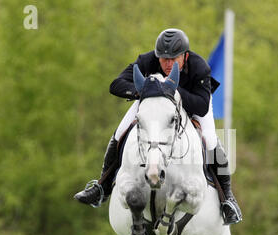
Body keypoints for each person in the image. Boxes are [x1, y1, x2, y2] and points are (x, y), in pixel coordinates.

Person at [74, 28, 242, 225]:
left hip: (192, 103)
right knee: (120, 132)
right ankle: (102, 187)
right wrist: (142, 92)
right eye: (163, 59)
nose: (168, 64)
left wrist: (171, 91)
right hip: (152, 103)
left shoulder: (199, 67)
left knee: (212, 140)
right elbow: (116, 84)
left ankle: (227, 199)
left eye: (173, 59)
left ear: (185, 56)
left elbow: (202, 106)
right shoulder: (147, 60)